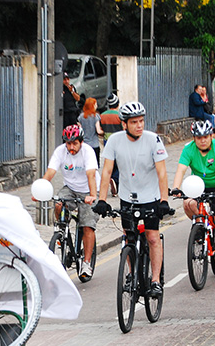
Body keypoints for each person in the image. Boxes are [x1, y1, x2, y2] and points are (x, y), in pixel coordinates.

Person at [93, 101, 170, 297]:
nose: (139, 125)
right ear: (124, 124)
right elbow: (106, 171)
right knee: (129, 237)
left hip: (151, 197)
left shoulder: (153, 140)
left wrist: (164, 200)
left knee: (152, 237)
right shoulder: (114, 141)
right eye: (134, 122)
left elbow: (162, 173)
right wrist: (102, 200)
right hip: (127, 197)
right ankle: (131, 273)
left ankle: (155, 280)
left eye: (141, 121)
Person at [170, 120, 215, 271]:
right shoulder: (188, 149)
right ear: (194, 138)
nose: (203, 140)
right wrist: (176, 188)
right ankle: (199, 227)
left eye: (206, 137)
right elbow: (181, 170)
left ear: (211, 136)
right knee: (188, 203)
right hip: (197, 186)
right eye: (199, 138)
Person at [39, 124, 99, 279]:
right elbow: (50, 172)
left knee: (87, 225)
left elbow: (91, 175)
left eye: (75, 143)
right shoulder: (60, 151)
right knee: (59, 203)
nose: (71, 147)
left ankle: (86, 263)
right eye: (68, 143)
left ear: (81, 142)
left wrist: (92, 195)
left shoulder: (88, 152)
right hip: (70, 188)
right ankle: (62, 229)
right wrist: (40, 189)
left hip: (88, 189)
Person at [99, 93, 122, 196]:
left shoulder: (102, 115)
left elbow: (101, 129)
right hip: (119, 141)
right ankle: (116, 181)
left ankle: (112, 179)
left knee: (110, 162)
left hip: (107, 141)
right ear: (117, 103)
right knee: (118, 163)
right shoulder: (119, 115)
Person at [78, 97, 103, 165]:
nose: (97, 106)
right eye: (95, 104)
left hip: (84, 144)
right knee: (94, 165)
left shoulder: (81, 117)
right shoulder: (96, 116)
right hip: (94, 144)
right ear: (93, 106)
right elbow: (98, 131)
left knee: (85, 164)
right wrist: (104, 132)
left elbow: (79, 130)